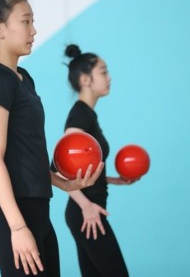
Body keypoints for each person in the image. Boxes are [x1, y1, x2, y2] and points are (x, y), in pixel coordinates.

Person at [0, 0, 103, 277]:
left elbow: (25, 154)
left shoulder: (23, 78)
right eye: (25, 22)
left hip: (39, 214)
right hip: (14, 219)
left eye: (33, 22)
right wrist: (17, 227)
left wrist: (64, 184)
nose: (34, 30)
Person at [56, 44, 137, 276]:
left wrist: (111, 179)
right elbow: (61, 169)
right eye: (103, 72)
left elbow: (80, 169)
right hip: (86, 211)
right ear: (85, 79)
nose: (109, 77)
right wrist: (86, 206)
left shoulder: (87, 114)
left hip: (85, 210)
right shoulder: (80, 115)